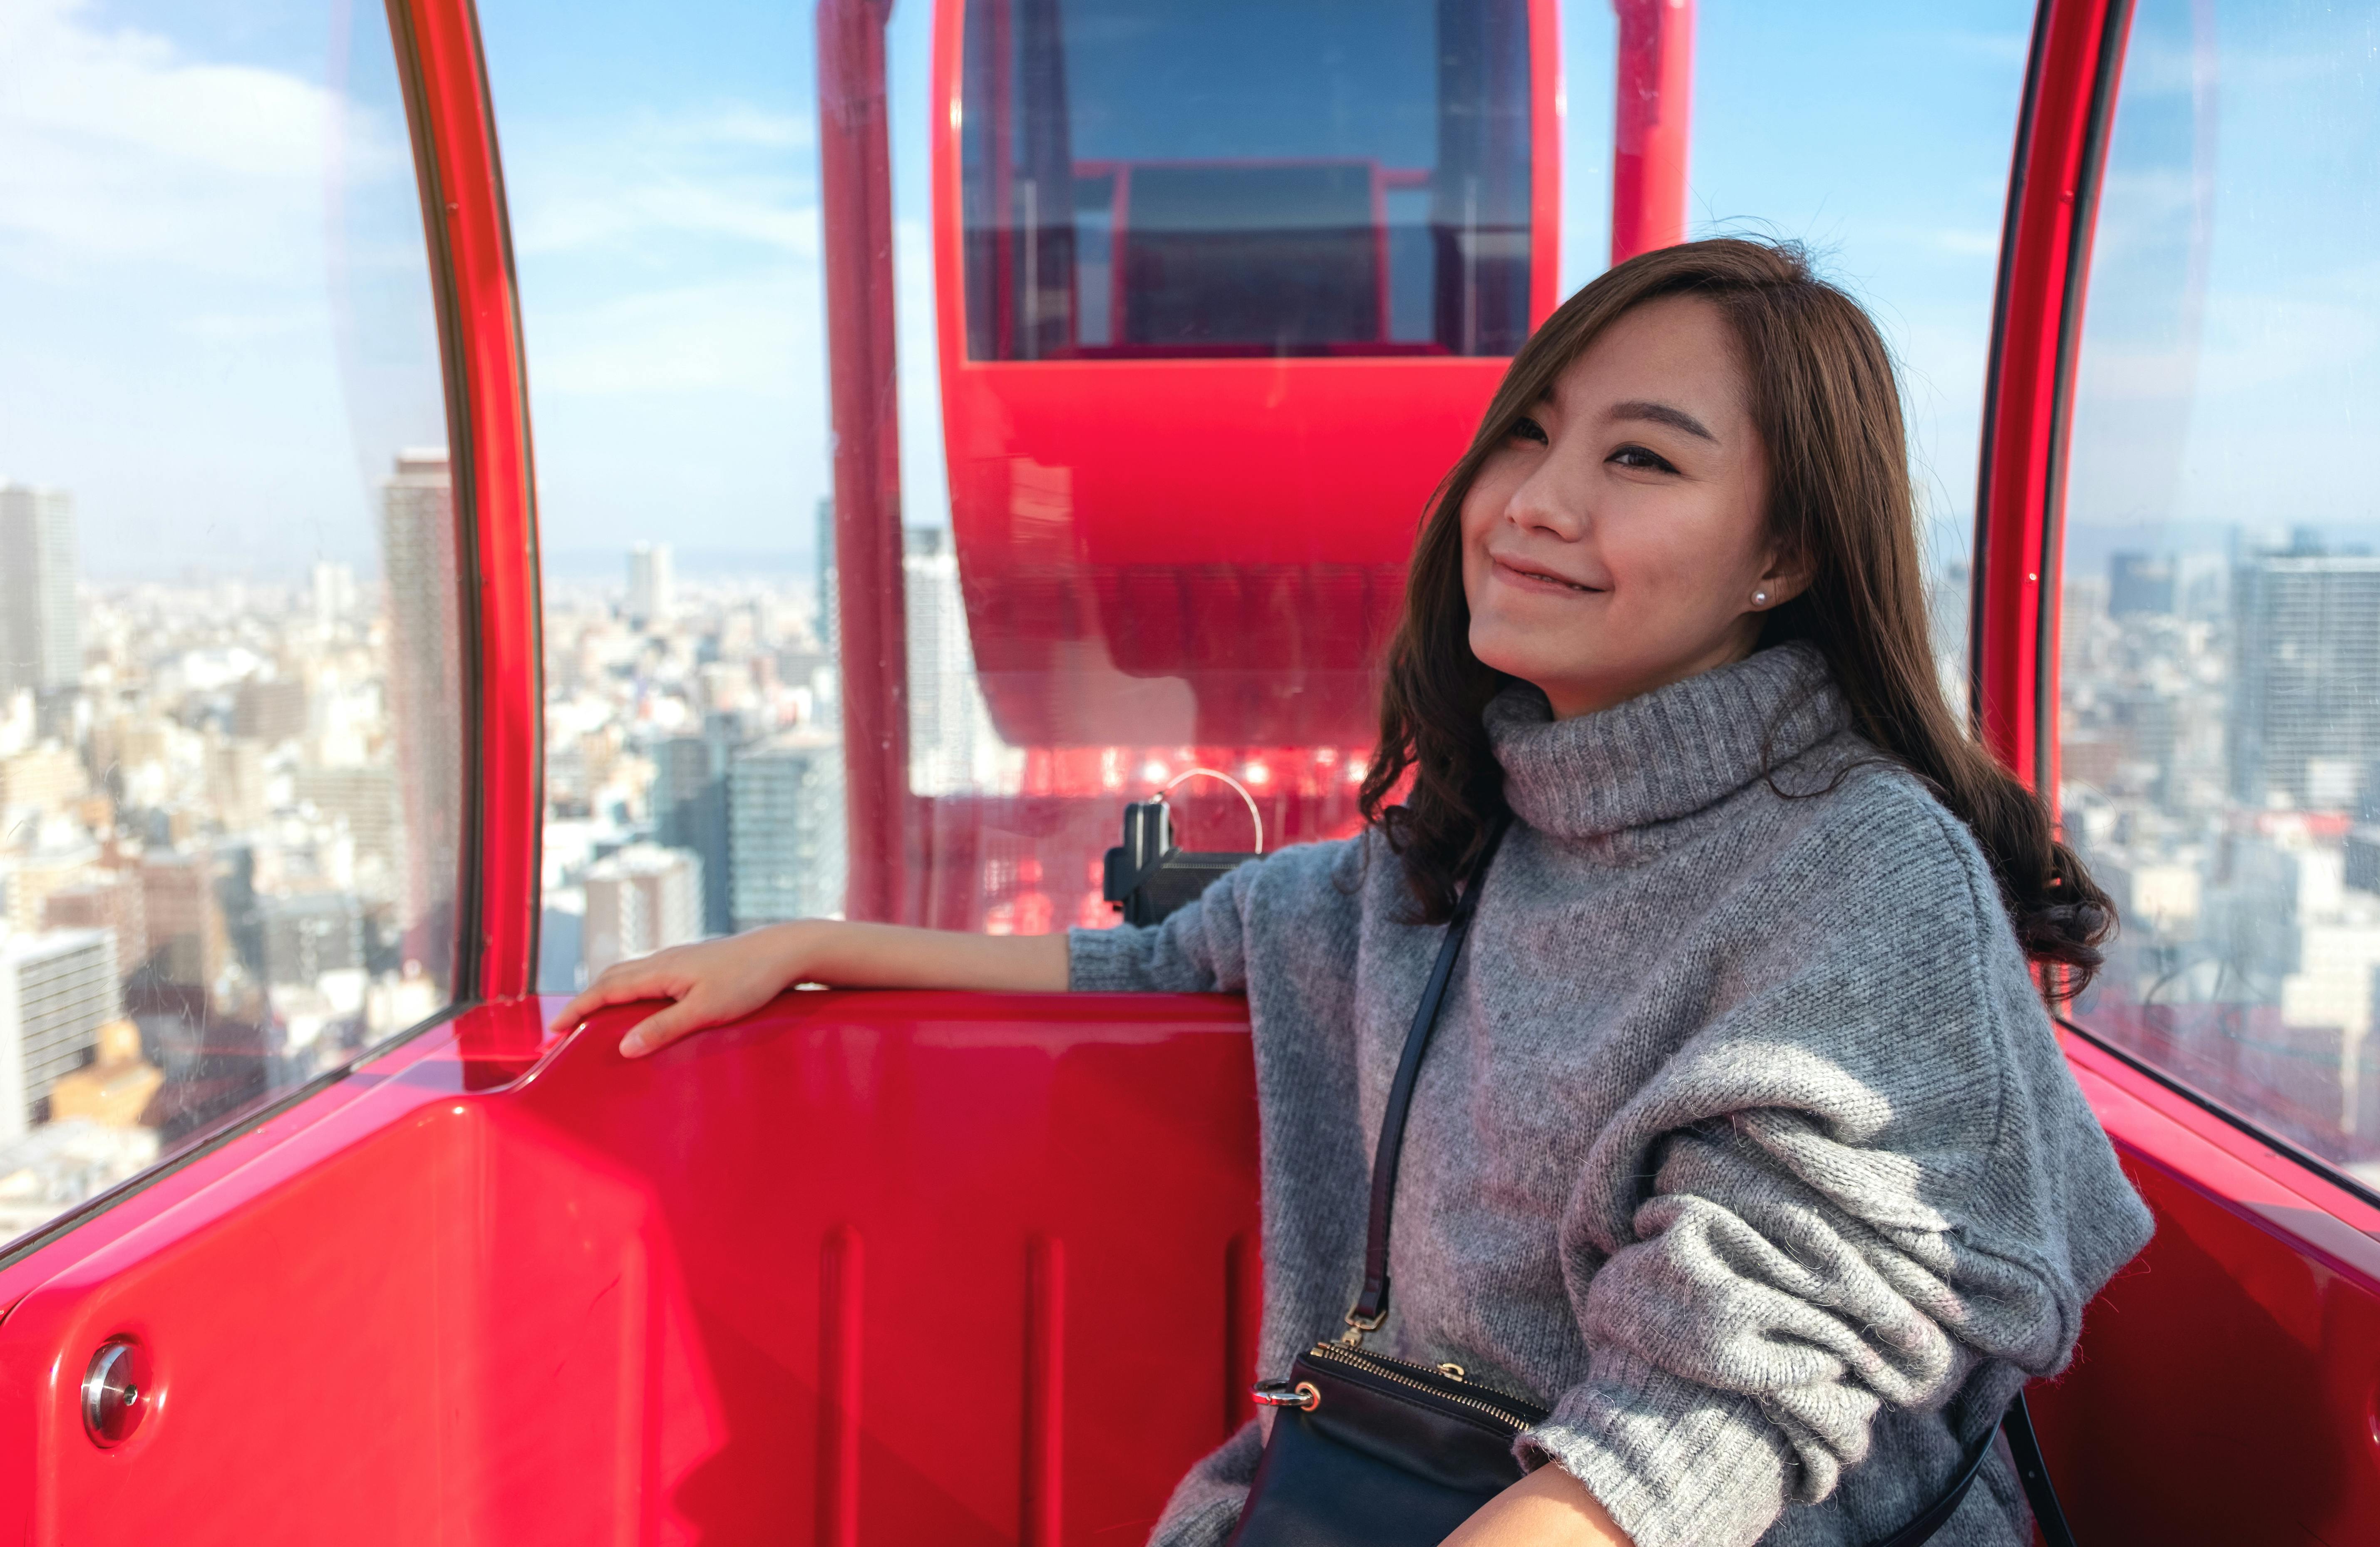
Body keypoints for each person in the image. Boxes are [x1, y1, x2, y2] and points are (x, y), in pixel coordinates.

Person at [555, 238, 2154, 1547]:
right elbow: (1182, 952)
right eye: (1528, 432)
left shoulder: (1861, 869)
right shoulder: (1467, 852)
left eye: (1641, 459)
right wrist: (812, 945)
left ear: (1786, 554)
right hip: (1406, 1489)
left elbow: (1734, 1406)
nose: (1537, 500)